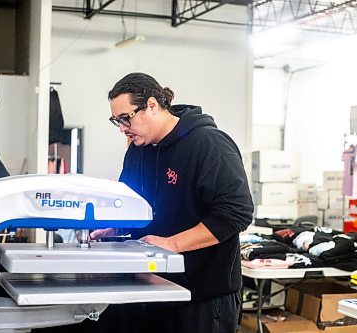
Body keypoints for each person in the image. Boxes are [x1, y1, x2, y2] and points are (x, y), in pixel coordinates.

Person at [89, 72, 253, 333]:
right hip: (154, 289)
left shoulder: (208, 144)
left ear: (152, 106)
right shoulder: (138, 150)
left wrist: (171, 244)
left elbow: (236, 213)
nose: (122, 128)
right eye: (116, 121)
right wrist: (117, 229)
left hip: (203, 297)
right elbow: (133, 202)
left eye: (125, 118)